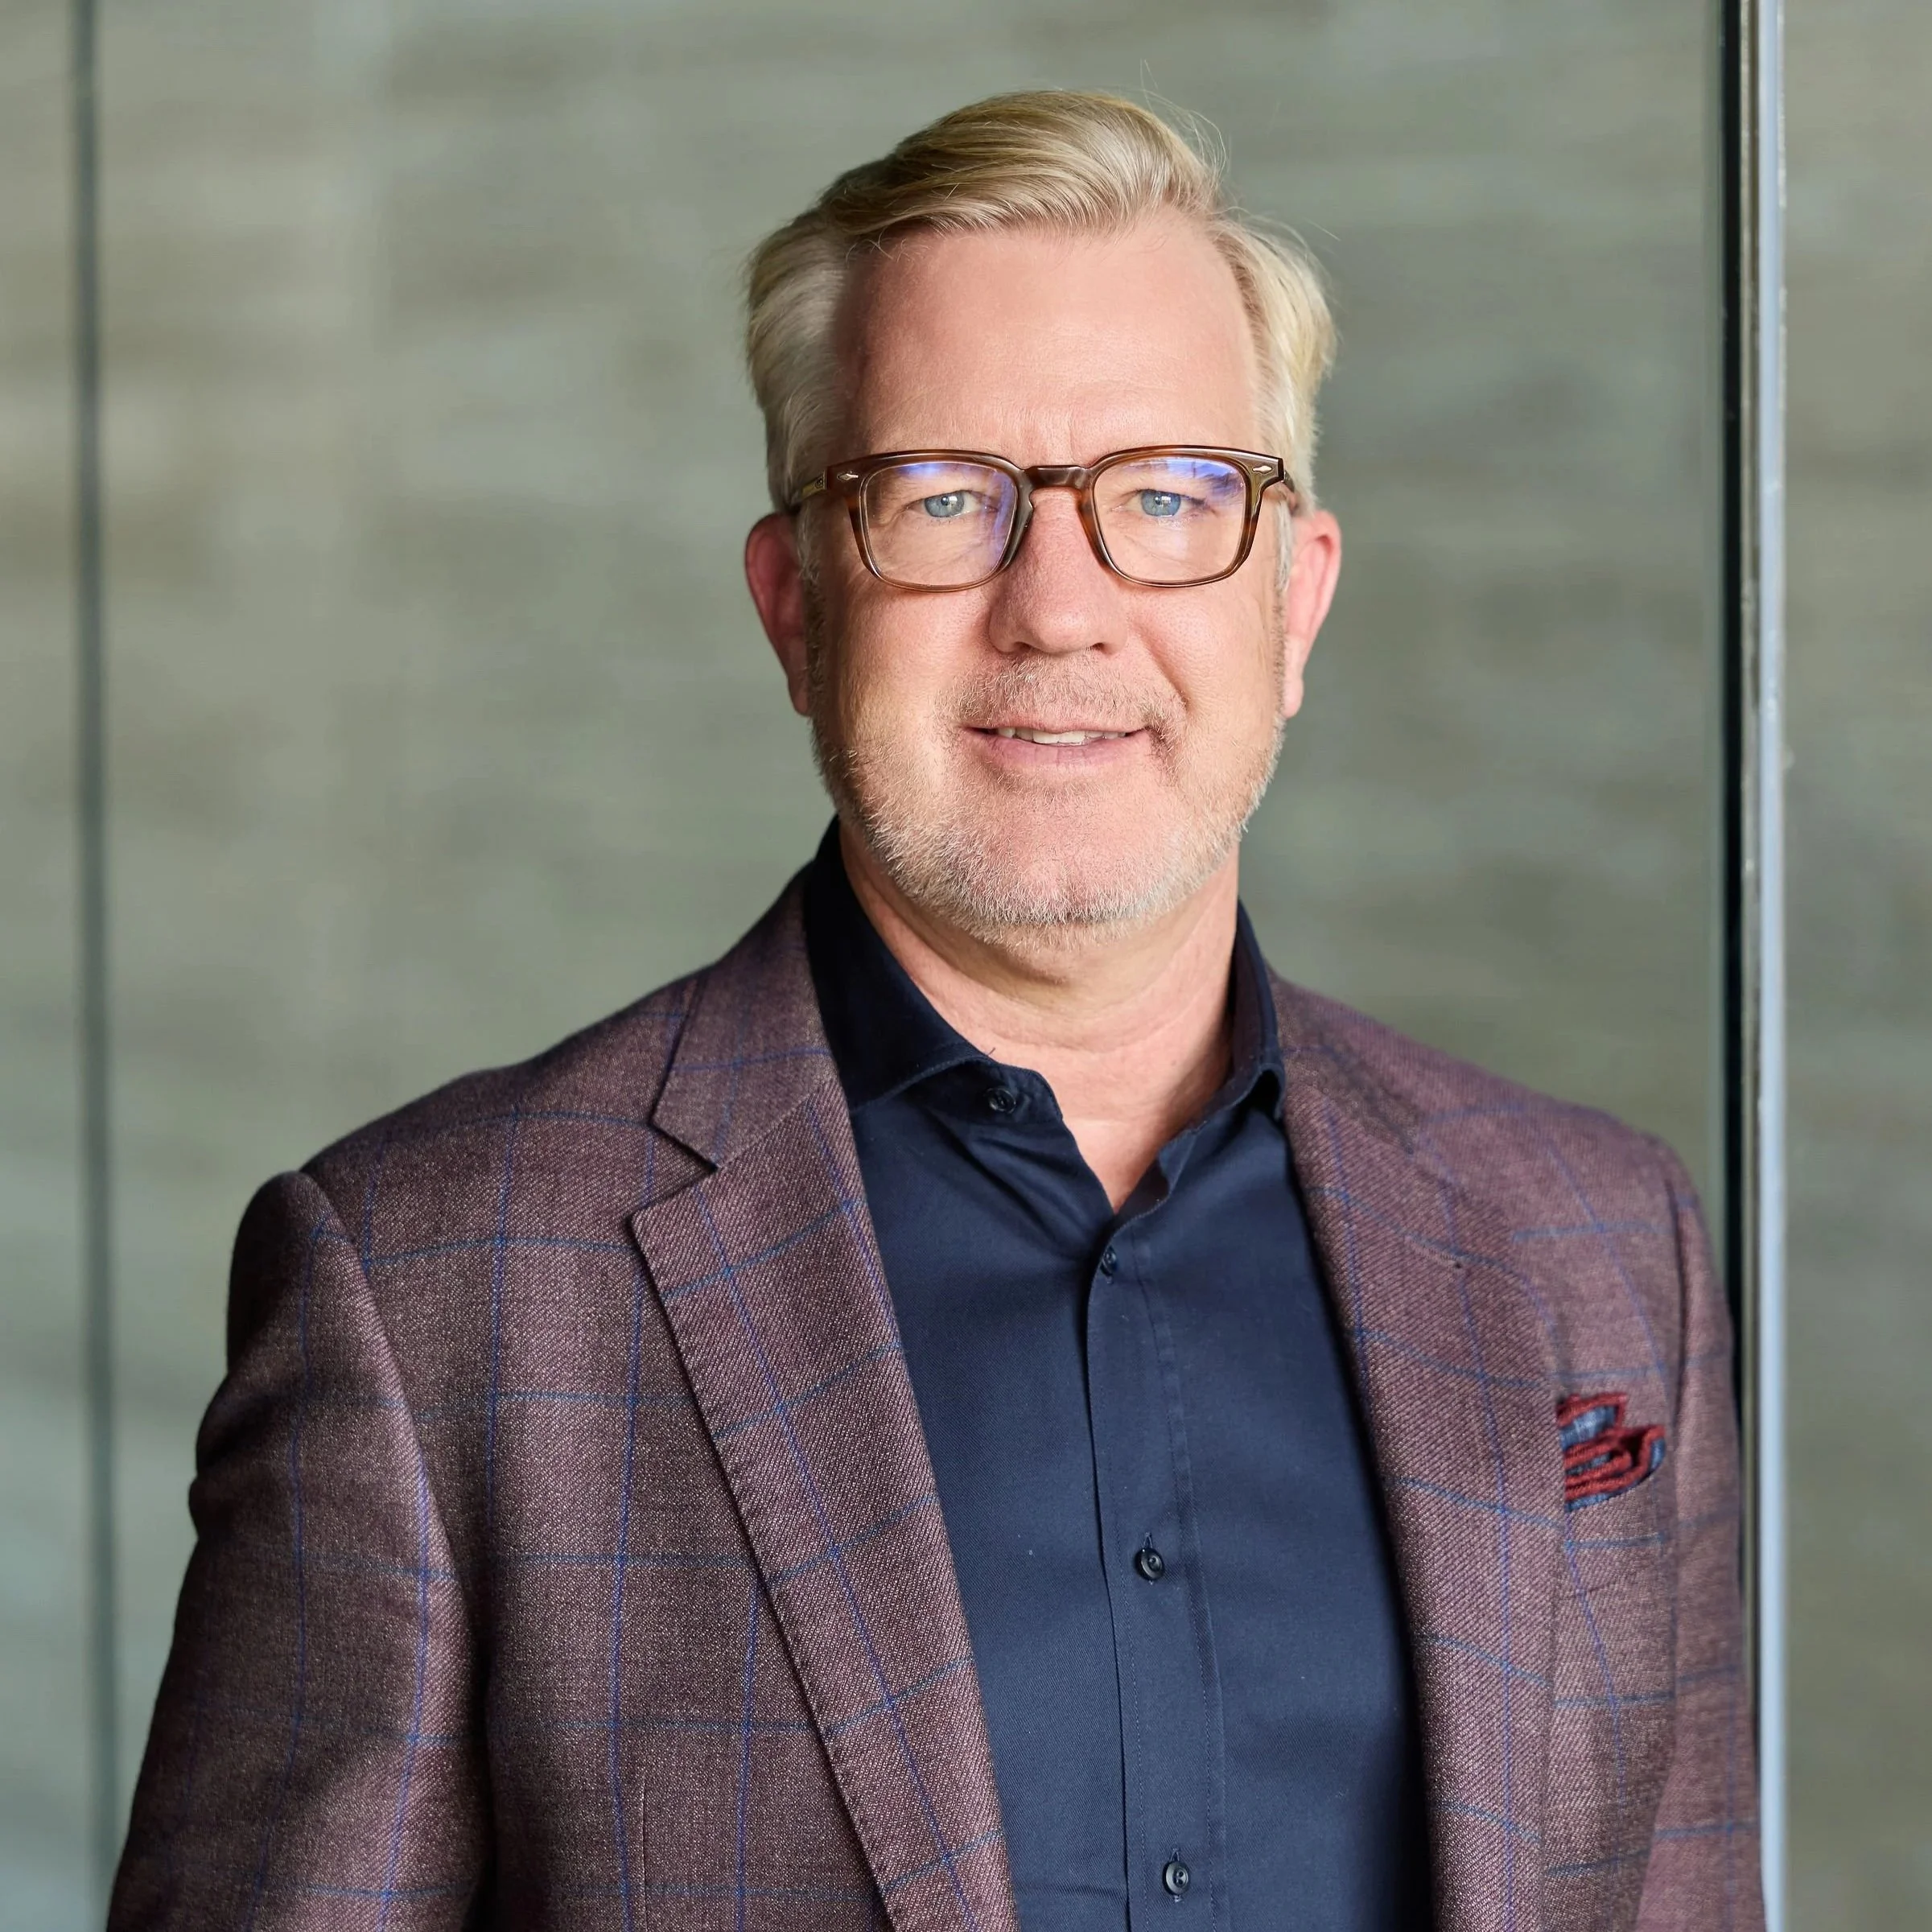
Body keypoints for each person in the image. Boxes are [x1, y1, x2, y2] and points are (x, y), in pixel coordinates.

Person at [113, 92, 1761, 1932]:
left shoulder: (1599, 1252)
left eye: (1167, 497)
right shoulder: (436, 1295)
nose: (1058, 609)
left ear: (1293, 604)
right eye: (943, 501)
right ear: (795, 609)